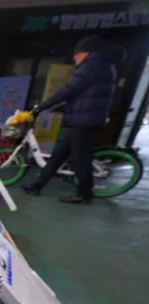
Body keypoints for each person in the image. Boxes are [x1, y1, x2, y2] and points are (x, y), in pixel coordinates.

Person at [22, 35, 124, 204]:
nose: (74, 57)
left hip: (84, 120)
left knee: (80, 159)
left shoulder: (91, 66)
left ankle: (84, 195)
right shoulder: (102, 66)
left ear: (86, 53)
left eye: (77, 54)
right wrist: (63, 107)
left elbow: (68, 90)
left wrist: (41, 107)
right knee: (59, 155)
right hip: (83, 117)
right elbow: (84, 95)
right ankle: (37, 186)